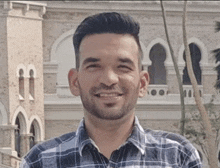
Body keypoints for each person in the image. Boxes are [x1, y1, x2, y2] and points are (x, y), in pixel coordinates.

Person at [20, 12, 202, 168]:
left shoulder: (178, 157)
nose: (109, 79)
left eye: (123, 67)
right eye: (94, 66)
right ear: (75, 81)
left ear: (143, 83)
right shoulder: (40, 161)